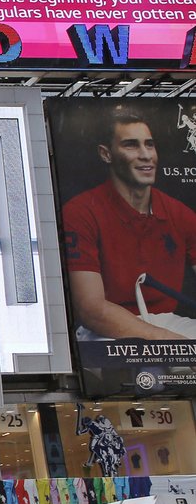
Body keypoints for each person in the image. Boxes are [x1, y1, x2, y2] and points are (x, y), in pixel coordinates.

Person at [63, 107, 196, 341]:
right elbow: (91, 310)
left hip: (169, 321)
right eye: (131, 145)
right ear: (106, 154)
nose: (146, 155)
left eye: (150, 144)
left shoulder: (179, 213)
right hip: (105, 329)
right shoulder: (80, 211)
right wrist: (173, 345)